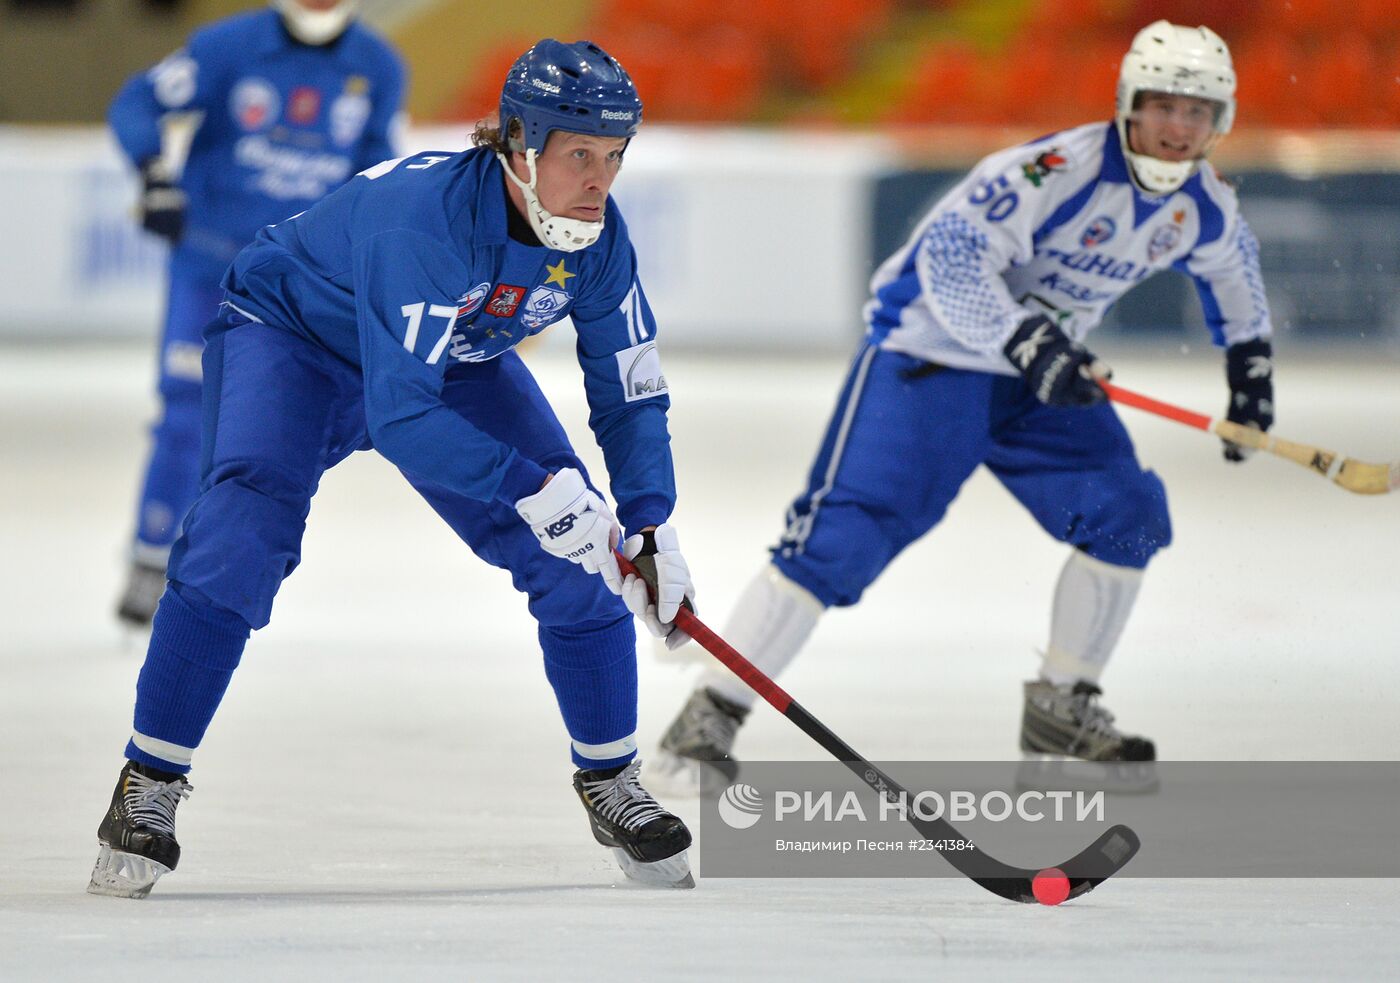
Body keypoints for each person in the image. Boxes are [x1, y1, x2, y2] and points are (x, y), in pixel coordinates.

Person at [87, 38, 699, 899]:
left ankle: (610, 776)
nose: (599, 182)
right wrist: (537, 491)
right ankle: (149, 777)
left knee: (584, 550)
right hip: (292, 338)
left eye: (613, 157)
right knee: (240, 532)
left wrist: (647, 519)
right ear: (519, 146)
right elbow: (404, 414)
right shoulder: (427, 220)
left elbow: (631, 393)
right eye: (578, 157)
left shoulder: (601, 241)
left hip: (453, 355)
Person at [656, 21, 1273, 791]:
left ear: (1222, 123)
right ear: (1128, 105)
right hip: (932, 360)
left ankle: (1062, 700)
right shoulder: (1054, 170)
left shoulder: (1204, 203)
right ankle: (711, 711)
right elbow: (949, 252)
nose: (1179, 128)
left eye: (1199, 112)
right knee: (838, 544)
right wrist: (1023, 339)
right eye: (1164, 106)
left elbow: (1233, 269)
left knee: (1128, 512)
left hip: (1036, 375)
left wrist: (1251, 368)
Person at [109, 0, 407, 626]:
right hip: (210, 266)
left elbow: (376, 169)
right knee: (187, 409)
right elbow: (137, 101)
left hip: (297, 280)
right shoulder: (225, 46)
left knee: (259, 428)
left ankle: (214, 569)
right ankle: (150, 551)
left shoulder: (379, 66)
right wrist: (154, 173)